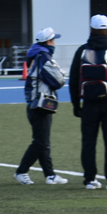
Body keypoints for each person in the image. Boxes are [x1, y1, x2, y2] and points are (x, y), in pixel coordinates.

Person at [69, 14, 107, 190]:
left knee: (88, 142)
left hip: (89, 102)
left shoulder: (82, 50)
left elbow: (74, 79)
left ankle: (90, 179)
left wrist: (76, 104)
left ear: (91, 29)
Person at [14, 27, 69, 186]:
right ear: (48, 42)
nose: (55, 43)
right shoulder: (44, 58)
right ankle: (21, 171)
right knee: (41, 142)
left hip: (35, 104)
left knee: (43, 141)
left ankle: (50, 175)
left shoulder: (36, 56)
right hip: (40, 105)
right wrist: (61, 72)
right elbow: (59, 80)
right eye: (53, 40)